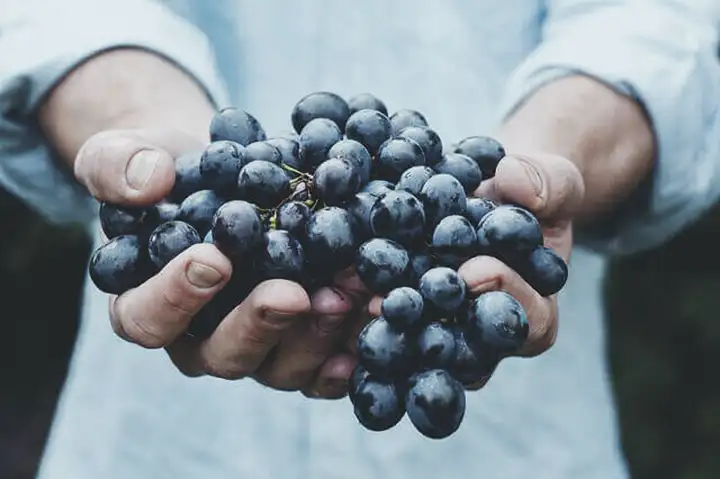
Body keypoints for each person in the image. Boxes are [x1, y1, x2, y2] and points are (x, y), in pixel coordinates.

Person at [1, 0, 719, 477]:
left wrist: (544, 158)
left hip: (511, 438)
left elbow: (655, 24)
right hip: (161, 442)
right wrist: (144, 129)